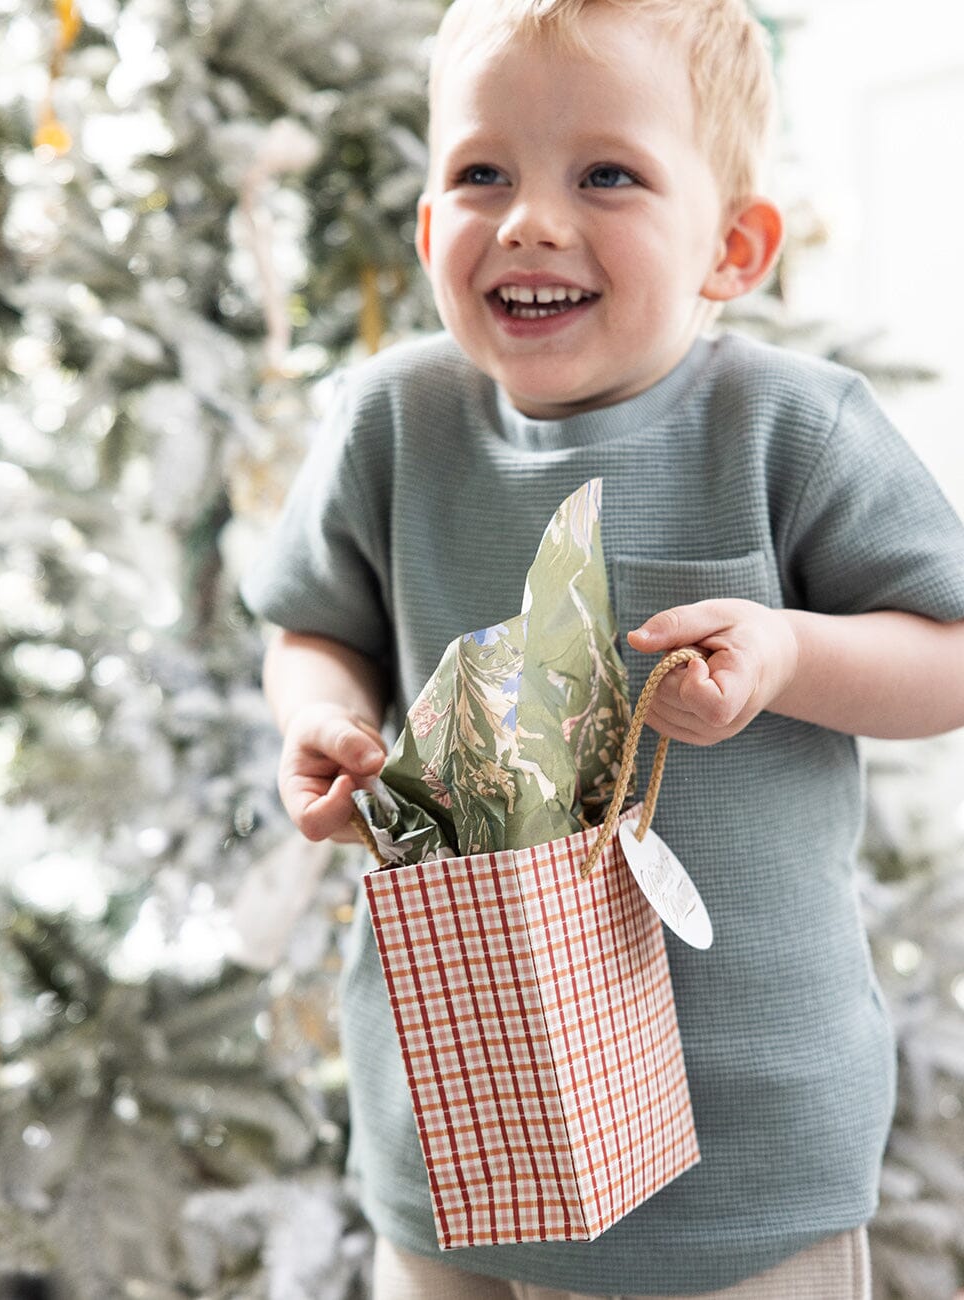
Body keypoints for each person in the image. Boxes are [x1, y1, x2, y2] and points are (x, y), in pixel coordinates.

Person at [241, 0, 964, 1295]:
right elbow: (314, 629)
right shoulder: (391, 423)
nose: (526, 219)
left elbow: (953, 653)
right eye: (480, 174)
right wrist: (322, 719)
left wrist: (790, 655)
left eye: (607, 175)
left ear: (732, 246)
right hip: (455, 1115)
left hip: (744, 1150)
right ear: (425, 229)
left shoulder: (788, 427)